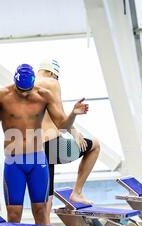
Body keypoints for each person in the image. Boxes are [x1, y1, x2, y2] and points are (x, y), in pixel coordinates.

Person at [0, 63, 88, 226]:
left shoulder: (44, 95)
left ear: (34, 83)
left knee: (41, 210)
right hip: (14, 162)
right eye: (21, 90)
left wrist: (73, 114)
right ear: (15, 83)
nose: (24, 94)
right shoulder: (0, 95)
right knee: (14, 213)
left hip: (38, 160)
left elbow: (62, 126)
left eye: (28, 90)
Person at [36, 58, 101, 214]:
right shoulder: (51, 83)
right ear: (53, 73)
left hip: (32, 149)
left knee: (46, 200)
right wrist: (74, 132)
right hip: (52, 145)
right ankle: (77, 192)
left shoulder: (24, 86)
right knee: (95, 144)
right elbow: (60, 118)